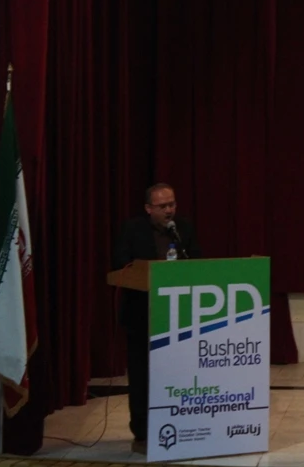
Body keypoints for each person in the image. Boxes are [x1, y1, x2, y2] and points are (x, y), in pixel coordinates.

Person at [111, 183, 201, 452]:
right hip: (142, 316)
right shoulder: (133, 229)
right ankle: (142, 433)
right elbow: (120, 263)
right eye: (163, 206)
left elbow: (197, 261)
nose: (169, 210)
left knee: (177, 375)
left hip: (179, 317)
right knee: (142, 378)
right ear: (149, 208)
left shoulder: (183, 228)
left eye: (172, 204)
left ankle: (182, 427)